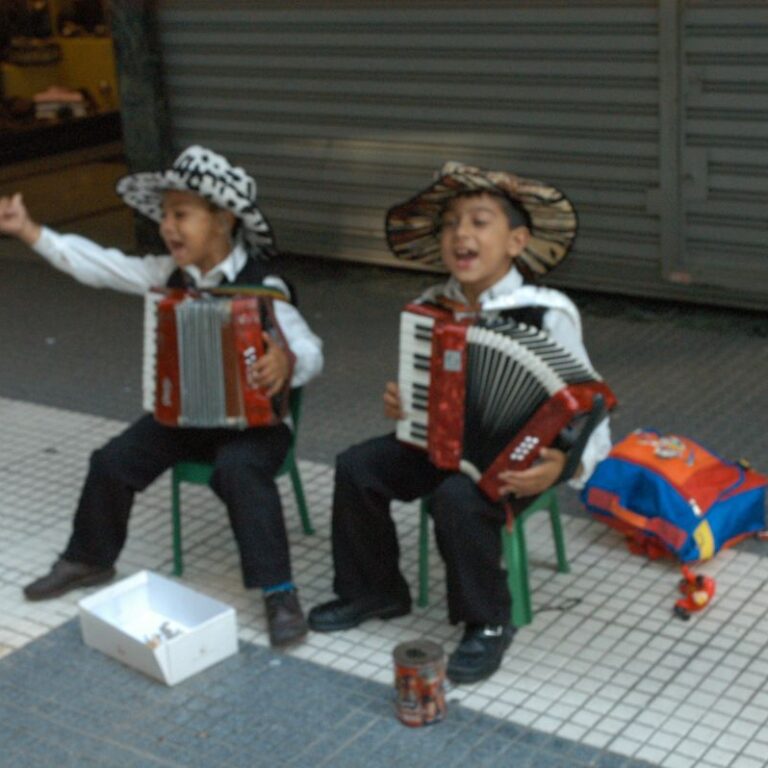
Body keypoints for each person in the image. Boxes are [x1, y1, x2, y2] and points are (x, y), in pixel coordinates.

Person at [0, 146, 323, 648]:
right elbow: (98, 265)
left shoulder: (264, 287)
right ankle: (89, 559)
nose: (168, 227)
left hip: (257, 430)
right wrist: (29, 231)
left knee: (239, 472)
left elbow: (310, 348)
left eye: (181, 215)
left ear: (222, 220)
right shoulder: (164, 275)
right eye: (165, 215)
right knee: (111, 460)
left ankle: (279, 592)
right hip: (186, 421)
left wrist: (287, 362)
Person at [308, 161, 611, 683]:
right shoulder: (433, 305)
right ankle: (374, 589)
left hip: (517, 464)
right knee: (358, 467)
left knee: (457, 498)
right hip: (438, 444)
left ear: (516, 241)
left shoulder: (546, 313)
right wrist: (406, 401)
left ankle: (489, 622)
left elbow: (591, 407)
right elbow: (422, 387)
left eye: (479, 221)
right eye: (450, 223)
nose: (460, 234)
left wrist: (562, 465)